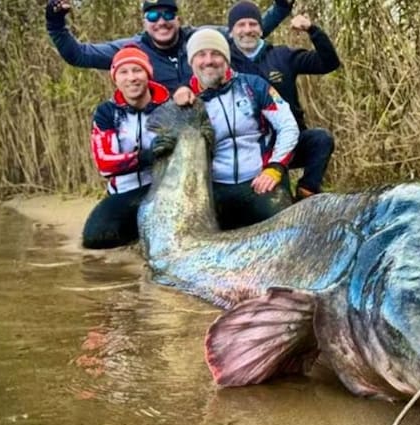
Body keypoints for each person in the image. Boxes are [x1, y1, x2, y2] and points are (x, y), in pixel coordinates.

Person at [175, 29, 299, 230]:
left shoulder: (253, 85)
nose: (209, 61)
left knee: (285, 229)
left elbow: (288, 126)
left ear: (226, 58)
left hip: (259, 181)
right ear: (191, 62)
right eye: (201, 55)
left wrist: (275, 167)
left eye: (216, 53)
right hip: (214, 189)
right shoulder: (186, 101)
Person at [45, 0, 294, 92]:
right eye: (153, 17)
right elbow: (78, 55)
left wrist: (282, 6)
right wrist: (55, 22)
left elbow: (244, 35)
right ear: (144, 22)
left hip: (210, 127)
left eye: (167, 15)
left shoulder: (201, 38)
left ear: (178, 18)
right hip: (162, 135)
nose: (161, 22)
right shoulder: (133, 49)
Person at [227, 1, 341, 200]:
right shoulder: (224, 63)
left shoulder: (282, 56)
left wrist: (312, 30)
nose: (247, 30)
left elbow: (328, 63)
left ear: (261, 28)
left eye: (253, 24)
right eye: (241, 25)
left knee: (321, 139)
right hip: (251, 150)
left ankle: (306, 192)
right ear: (231, 32)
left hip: (288, 140)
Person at [83, 46, 173, 249]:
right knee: (94, 238)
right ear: (115, 79)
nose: (131, 78)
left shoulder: (168, 108)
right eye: (124, 72)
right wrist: (147, 157)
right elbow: (104, 164)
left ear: (148, 74)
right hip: (123, 193)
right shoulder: (107, 112)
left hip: (161, 192)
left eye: (137, 70)